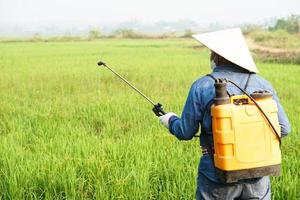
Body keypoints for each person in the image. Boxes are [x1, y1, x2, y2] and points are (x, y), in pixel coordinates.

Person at [158, 28, 291, 200]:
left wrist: (169, 119)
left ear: (217, 56)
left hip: (217, 173)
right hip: (258, 172)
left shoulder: (202, 85)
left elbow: (185, 132)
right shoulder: (262, 83)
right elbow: (284, 129)